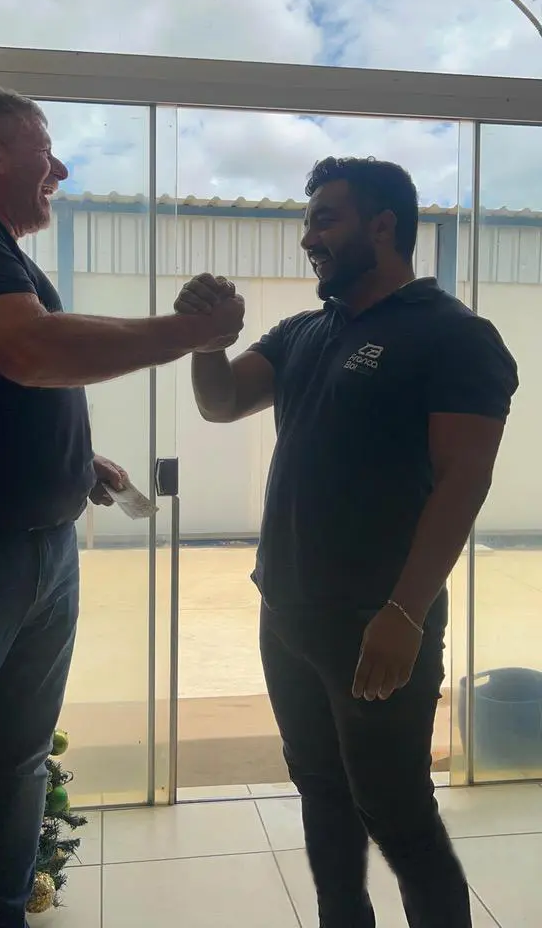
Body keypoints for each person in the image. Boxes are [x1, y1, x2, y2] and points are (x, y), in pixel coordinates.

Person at [176, 156, 519, 928]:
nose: (309, 239)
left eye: (325, 219)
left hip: (377, 624)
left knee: (397, 814)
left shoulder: (453, 335)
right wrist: (206, 341)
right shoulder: (304, 332)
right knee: (321, 794)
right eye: (308, 222)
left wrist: (406, 612)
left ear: (383, 226)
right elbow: (221, 402)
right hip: (287, 615)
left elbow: (465, 477)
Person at [0, 85, 244, 928]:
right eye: (44, 150)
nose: (60, 170)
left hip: (37, 546)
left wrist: (75, 462)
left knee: (13, 764)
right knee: (4, 763)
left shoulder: (0, 250)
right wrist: (188, 334)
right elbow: (28, 349)